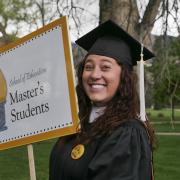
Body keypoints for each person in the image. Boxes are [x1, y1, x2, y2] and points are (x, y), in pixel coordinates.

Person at [49, 20, 155, 180]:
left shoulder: (127, 134)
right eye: (89, 67)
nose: (94, 74)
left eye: (105, 67)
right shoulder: (79, 124)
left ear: (124, 77)